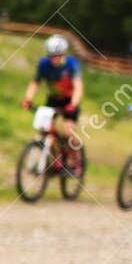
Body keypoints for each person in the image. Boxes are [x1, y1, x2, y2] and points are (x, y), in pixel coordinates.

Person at [22, 35, 83, 170]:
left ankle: (76, 160)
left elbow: (78, 87)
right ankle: (54, 160)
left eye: (57, 56)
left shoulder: (71, 64)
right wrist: (28, 99)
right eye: (51, 56)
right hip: (53, 100)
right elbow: (35, 83)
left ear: (63, 54)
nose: (53, 59)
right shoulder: (43, 64)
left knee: (68, 132)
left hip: (69, 100)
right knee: (44, 130)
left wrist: (73, 104)